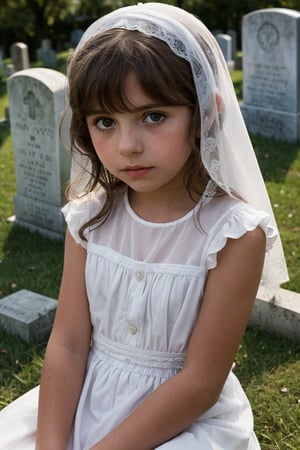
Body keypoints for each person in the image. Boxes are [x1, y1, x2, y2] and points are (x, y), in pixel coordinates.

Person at [0, 3, 288, 450]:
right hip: (87, 399)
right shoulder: (90, 217)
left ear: (205, 113)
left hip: (182, 421)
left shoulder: (234, 235)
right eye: (105, 122)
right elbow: (70, 343)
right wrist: (51, 444)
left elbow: (200, 382)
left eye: (154, 117)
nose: (127, 146)